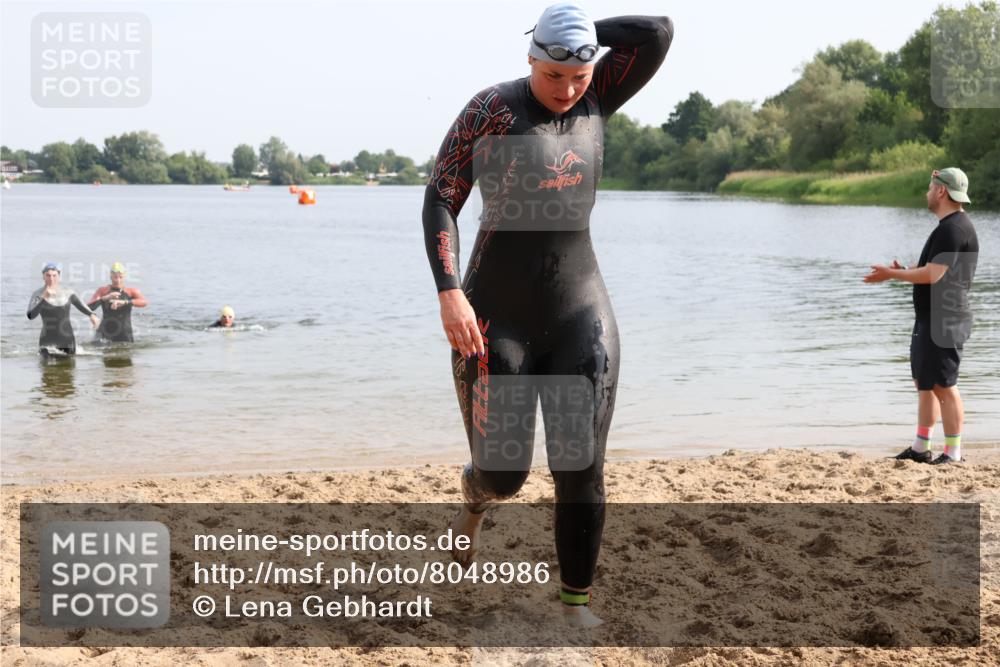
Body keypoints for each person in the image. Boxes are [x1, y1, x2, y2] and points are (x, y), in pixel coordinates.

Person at [422, 2, 672, 627]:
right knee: (505, 475)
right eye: (552, 75)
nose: (566, 91)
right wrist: (449, 290)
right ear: (529, 60)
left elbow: (657, 32)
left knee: (581, 466)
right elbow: (441, 198)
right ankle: (474, 499)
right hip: (493, 314)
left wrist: (581, 39)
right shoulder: (491, 109)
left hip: (579, 308)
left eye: (578, 77)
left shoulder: (599, 95)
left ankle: (574, 605)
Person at [864, 168, 979, 465]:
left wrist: (893, 274)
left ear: (942, 191)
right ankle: (920, 447)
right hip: (931, 318)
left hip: (945, 320)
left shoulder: (953, 229)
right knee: (925, 383)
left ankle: (953, 454)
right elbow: (934, 269)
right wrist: (905, 270)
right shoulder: (948, 227)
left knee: (944, 385)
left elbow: (933, 274)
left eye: (930, 187)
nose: (926, 193)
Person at [26, 263, 100, 355]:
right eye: (48, 275)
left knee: (68, 368)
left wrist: (92, 315)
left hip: (67, 340)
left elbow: (82, 306)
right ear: (43, 277)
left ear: (59, 276)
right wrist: (43, 297)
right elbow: (30, 315)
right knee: (46, 368)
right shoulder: (37, 294)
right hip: (47, 341)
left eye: (54, 275)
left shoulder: (68, 292)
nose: (51, 279)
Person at [88, 262, 148, 343]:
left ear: (124, 277)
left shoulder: (131, 291)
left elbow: (144, 302)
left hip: (124, 333)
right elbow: (88, 307)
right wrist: (105, 298)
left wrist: (125, 302)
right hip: (105, 333)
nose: (118, 280)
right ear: (111, 277)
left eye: (120, 277)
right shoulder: (102, 290)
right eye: (115, 277)